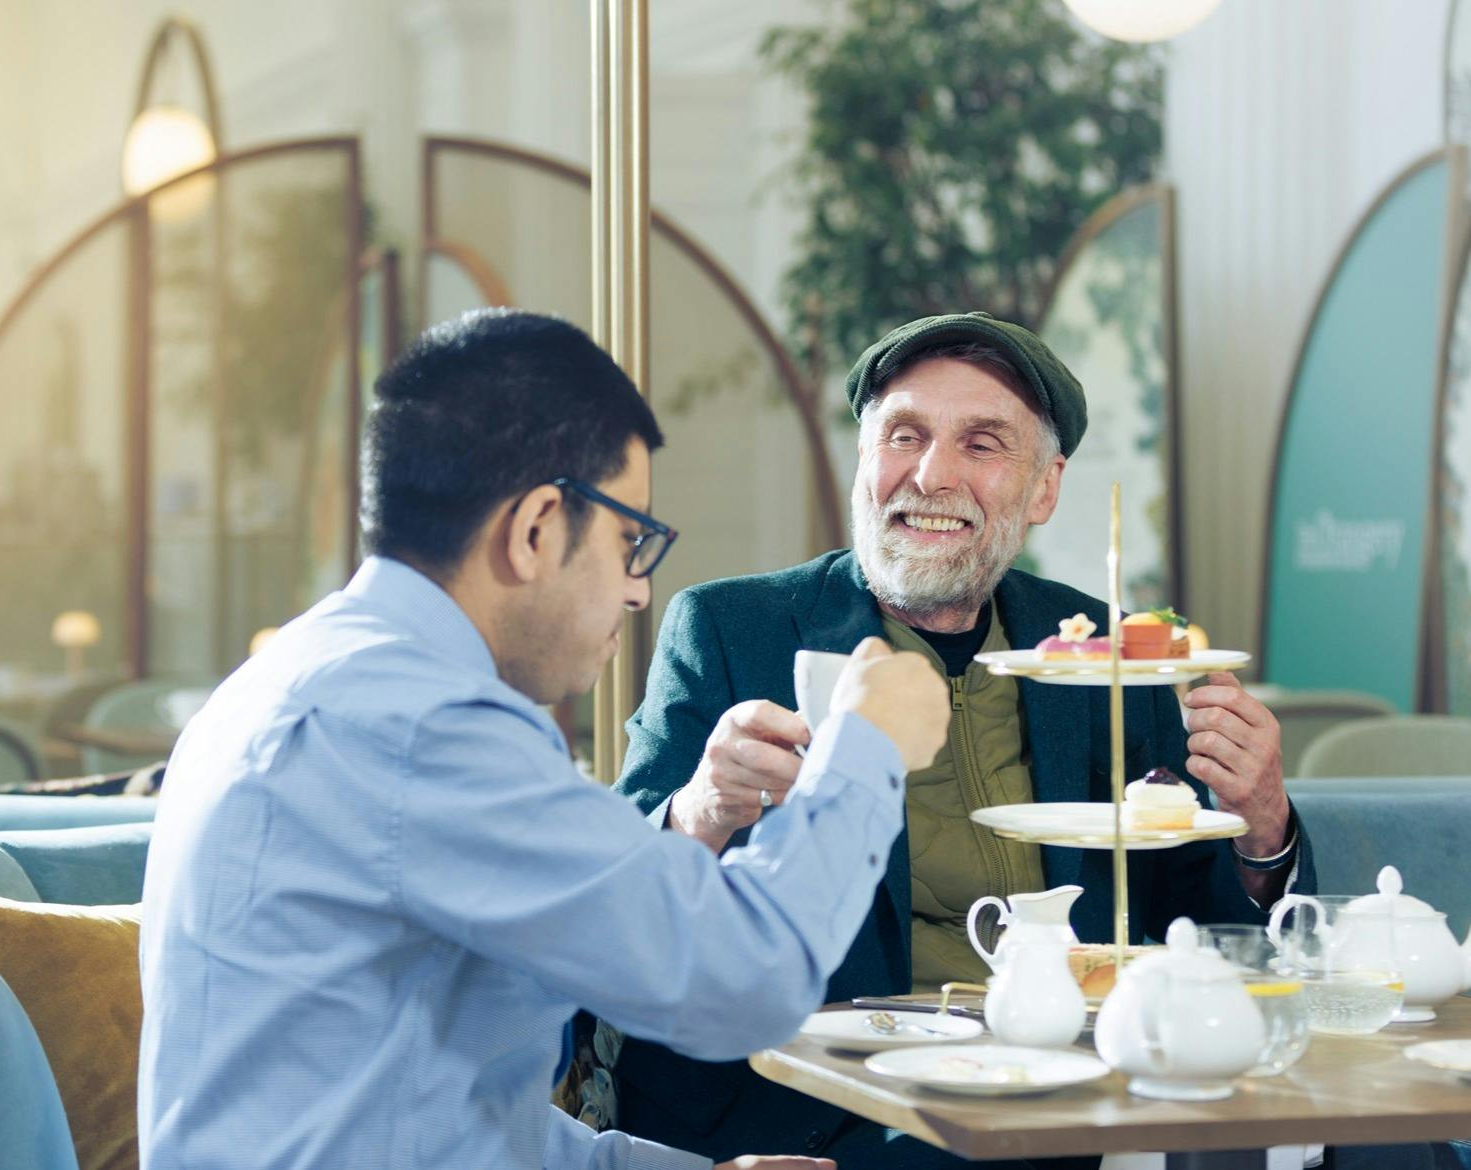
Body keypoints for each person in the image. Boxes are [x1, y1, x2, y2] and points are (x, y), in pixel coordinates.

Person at [138, 308, 955, 1170]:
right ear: (535, 529)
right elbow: (747, 979)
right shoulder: (421, 729)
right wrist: (862, 747)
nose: (639, 594)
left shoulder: (303, 679)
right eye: (630, 539)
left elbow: (453, 1119)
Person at [608, 312, 1315, 1170]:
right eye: (905, 435)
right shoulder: (729, 628)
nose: (933, 475)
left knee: (1394, 1146)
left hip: (1069, 1094)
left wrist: (1263, 828)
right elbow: (618, 896)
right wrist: (700, 810)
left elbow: (1197, 928)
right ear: (864, 458)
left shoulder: (1101, 654)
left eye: (983, 445)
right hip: (824, 1105)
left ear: (1045, 489)